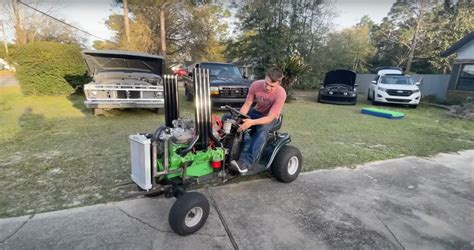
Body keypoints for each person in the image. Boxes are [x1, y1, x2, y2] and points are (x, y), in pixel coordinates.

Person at [230, 67, 286, 174]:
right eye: (266, 83)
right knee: (230, 119)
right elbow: (247, 104)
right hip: (256, 112)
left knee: (262, 130)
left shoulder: (281, 94)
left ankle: (246, 163)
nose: (267, 87)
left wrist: (252, 122)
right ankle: (228, 152)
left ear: (279, 83)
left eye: (272, 86)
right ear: (264, 78)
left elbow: (270, 117)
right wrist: (240, 117)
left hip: (270, 117)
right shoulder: (256, 85)